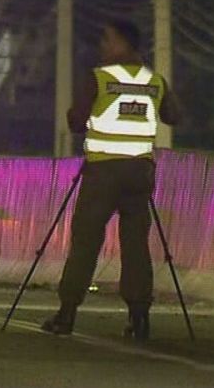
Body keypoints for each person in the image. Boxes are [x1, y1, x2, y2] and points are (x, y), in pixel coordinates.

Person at [42, 19, 179, 341]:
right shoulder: (154, 80)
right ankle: (139, 317)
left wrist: (81, 114)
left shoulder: (99, 78)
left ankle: (67, 313)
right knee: (136, 245)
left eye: (108, 40)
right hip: (139, 173)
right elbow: (174, 116)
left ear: (123, 43)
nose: (103, 47)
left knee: (86, 241)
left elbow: (76, 122)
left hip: (103, 172)